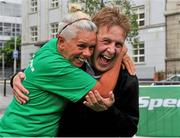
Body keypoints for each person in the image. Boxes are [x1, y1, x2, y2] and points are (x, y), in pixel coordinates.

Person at [11, 7, 139, 137]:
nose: (112, 50)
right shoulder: (73, 62)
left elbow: (129, 129)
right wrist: (17, 77)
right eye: (106, 41)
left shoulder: (128, 79)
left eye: (118, 45)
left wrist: (107, 111)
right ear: (92, 38)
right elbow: (43, 71)